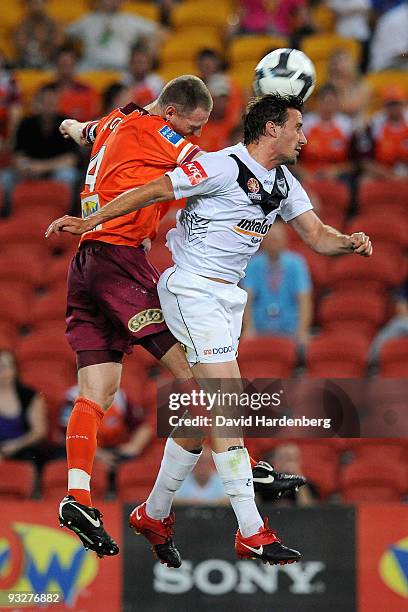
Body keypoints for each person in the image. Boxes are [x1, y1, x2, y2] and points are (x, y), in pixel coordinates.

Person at [47, 93, 372, 565]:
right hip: (190, 288)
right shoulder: (220, 165)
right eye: (297, 127)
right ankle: (251, 528)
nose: (304, 137)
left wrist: (350, 242)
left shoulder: (283, 183)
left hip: (225, 298)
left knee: (204, 410)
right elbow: (157, 189)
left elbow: (318, 235)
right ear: (271, 129)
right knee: (227, 399)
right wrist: (90, 220)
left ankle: (154, 513)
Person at [0, 83, 79, 215]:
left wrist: (42, 167)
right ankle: (8, 215)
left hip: (55, 169)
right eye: (45, 102)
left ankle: (67, 215)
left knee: (68, 175)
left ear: (57, 103)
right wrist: (24, 166)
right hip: (29, 169)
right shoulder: (26, 123)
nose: (48, 106)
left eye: (52, 102)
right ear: (37, 103)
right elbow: (17, 155)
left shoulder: (68, 123)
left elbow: (71, 159)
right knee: (6, 177)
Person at [241, 220, 312, 349]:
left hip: (289, 330)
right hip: (260, 329)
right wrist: (248, 329)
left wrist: (302, 331)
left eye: (277, 239)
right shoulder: (253, 264)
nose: (274, 242)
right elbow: (247, 299)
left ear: (285, 240)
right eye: (270, 239)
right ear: (263, 241)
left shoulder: (296, 263)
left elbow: (304, 300)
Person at [58, 385, 153, 469]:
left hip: (115, 450)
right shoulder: (72, 398)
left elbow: (143, 427)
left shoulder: (119, 396)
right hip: (84, 452)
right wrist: (97, 455)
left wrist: (133, 446)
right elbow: (67, 437)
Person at [66, 0, 160, 72]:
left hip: (121, 69)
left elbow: (161, 32)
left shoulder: (129, 19)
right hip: (90, 68)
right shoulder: (88, 19)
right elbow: (65, 33)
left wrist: (149, 44)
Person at [351, 85, 408, 180]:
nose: (393, 107)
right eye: (390, 104)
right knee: (365, 180)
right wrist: (389, 175)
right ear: (383, 106)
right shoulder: (373, 125)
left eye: (396, 103)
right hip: (381, 172)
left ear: (404, 104)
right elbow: (365, 160)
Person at [298, 84, 354, 182]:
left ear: (338, 103)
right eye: (326, 102)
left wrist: (336, 171)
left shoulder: (347, 126)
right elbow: (291, 157)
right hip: (307, 173)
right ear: (319, 102)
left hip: (336, 176)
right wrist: (304, 173)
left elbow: (354, 162)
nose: (329, 106)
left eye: (332, 102)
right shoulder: (305, 123)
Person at [0, 349, 47, 464]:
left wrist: (15, 446)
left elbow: (39, 431)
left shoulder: (29, 395)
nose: (3, 371)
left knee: (29, 459)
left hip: (23, 448)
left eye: (6, 366)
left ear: (15, 369)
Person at [46, 46, 101, 122]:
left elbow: (96, 119)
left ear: (74, 64)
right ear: (56, 65)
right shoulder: (45, 91)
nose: (65, 69)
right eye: (62, 64)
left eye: (68, 64)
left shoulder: (88, 92)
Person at [14, 0, 62, 69]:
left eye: (38, 3)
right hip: (27, 61)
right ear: (29, 5)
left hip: (50, 61)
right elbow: (20, 43)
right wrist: (34, 50)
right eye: (33, 3)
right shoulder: (22, 24)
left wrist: (47, 51)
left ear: (45, 5)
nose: (36, 7)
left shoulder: (54, 24)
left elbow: (58, 42)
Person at [122, 44, 164, 108]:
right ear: (130, 63)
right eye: (135, 62)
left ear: (149, 64)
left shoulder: (157, 82)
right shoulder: (124, 80)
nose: (138, 66)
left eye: (141, 62)